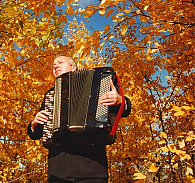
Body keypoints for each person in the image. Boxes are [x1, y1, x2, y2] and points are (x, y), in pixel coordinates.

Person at [27, 54, 131, 183]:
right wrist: (34, 124)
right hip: (59, 169)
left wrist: (120, 100)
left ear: (73, 67)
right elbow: (36, 134)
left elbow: (125, 110)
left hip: (92, 166)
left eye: (60, 62)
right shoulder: (50, 95)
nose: (55, 66)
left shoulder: (98, 82)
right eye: (53, 65)